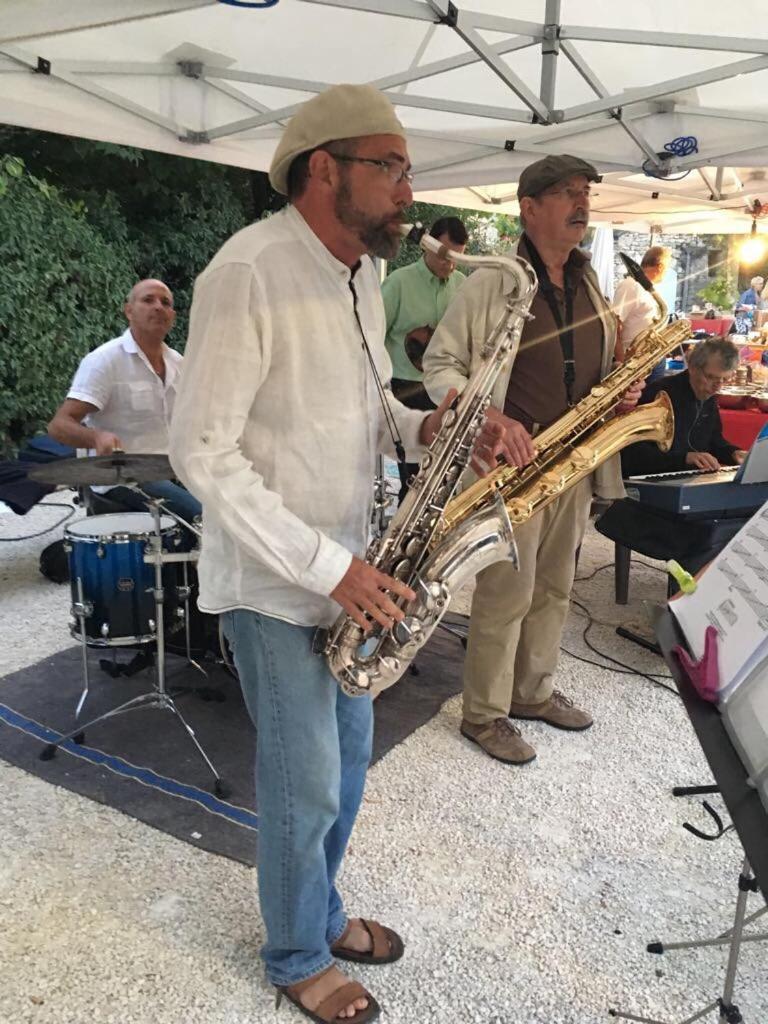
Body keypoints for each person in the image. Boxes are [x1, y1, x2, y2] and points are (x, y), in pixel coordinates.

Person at [169, 84, 501, 1024]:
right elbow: (203, 450)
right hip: (279, 583)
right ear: (326, 170)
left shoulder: (357, 273)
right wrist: (332, 568)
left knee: (348, 768)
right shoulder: (248, 271)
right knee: (305, 778)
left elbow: (365, 413)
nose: (408, 190)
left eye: (407, 171)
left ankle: (317, 909)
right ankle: (296, 952)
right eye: (389, 168)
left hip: (355, 569)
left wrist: (432, 426)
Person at [423, 153, 643, 767]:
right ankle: (485, 714)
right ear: (529, 207)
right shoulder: (491, 280)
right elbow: (439, 365)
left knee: (556, 587)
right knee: (507, 592)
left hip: (573, 458)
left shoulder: (590, 280)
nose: (582, 205)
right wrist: (490, 418)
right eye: (569, 194)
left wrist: (619, 386)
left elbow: (594, 364)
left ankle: (533, 692)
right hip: (513, 466)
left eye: (586, 195)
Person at [48, 279, 201, 525]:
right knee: (203, 517)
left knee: (233, 508)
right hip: (122, 479)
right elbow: (59, 425)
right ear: (129, 311)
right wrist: (96, 438)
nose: (158, 307)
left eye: (166, 303)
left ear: (173, 315)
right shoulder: (105, 361)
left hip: (171, 472)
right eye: (148, 300)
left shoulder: (179, 364)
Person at [381, 216, 467, 501]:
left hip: (448, 391)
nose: (449, 264)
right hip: (407, 388)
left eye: (457, 257)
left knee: (445, 478)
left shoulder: (463, 285)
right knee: (415, 479)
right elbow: (371, 336)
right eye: (444, 256)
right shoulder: (398, 282)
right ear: (427, 245)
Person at [622, 337, 746, 476]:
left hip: (687, 478)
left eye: (725, 379)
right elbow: (633, 455)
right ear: (692, 367)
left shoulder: (708, 394)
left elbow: (713, 440)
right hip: (653, 480)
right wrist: (685, 458)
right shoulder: (659, 394)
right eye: (711, 377)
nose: (718, 386)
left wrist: (733, 453)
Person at [613, 245, 672, 383]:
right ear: (661, 266)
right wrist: (622, 365)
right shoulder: (631, 285)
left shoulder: (650, 290)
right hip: (634, 362)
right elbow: (614, 324)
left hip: (651, 358)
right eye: (667, 268)